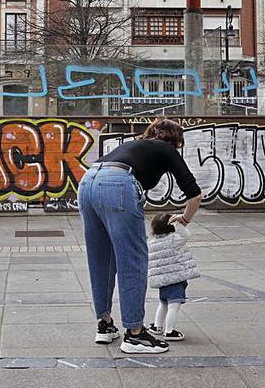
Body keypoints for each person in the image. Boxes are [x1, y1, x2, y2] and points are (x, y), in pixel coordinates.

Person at [79, 117, 202, 354]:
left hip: (87, 182)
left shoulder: (136, 144)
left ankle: (104, 325)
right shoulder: (167, 149)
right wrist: (185, 219)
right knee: (132, 261)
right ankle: (135, 335)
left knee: (100, 259)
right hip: (117, 185)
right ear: (176, 140)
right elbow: (194, 194)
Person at [146, 212, 199, 342]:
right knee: (173, 306)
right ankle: (169, 332)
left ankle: (157, 326)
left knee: (163, 303)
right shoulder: (175, 239)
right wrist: (178, 222)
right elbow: (187, 235)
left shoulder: (152, 243)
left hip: (163, 281)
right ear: (171, 226)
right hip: (175, 280)